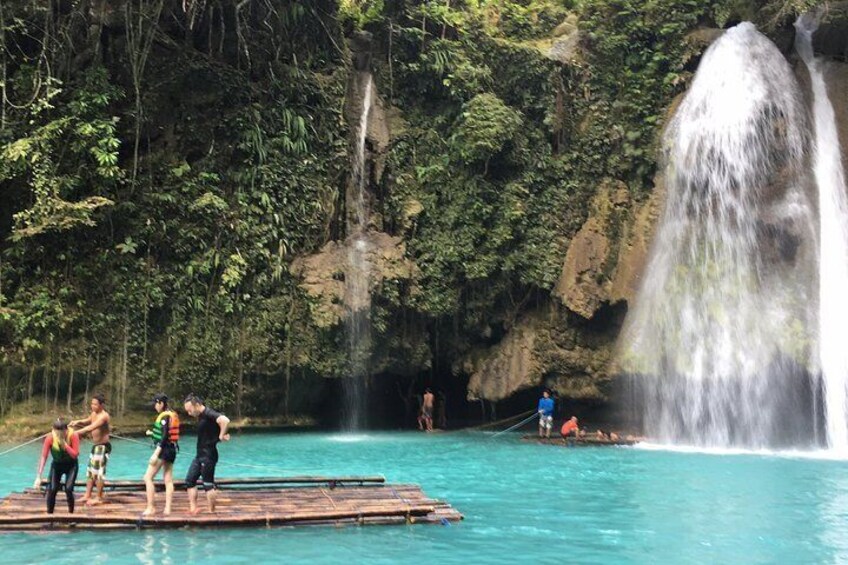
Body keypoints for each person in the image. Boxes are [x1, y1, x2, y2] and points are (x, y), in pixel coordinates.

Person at [183, 394, 230, 515]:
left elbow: (225, 420)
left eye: (189, 410)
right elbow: (213, 429)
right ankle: (193, 508)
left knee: (208, 484)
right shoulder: (201, 416)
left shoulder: (209, 413)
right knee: (190, 480)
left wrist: (221, 435)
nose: (189, 413)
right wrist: (220, 435)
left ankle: (211, 512)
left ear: (197, 405)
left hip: (209, 455)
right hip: (199, 455)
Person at [70, 394, 111, 505]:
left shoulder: (104, 416)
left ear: (101, 405)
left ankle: (99, 497)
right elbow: (88, 421)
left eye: (95, 404)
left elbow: (90, 428)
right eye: (92, 404)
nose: (93, 406)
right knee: (90, 472)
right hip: (95, 446)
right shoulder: (94, 414)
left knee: (98, 473)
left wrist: (73, 433)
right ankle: (87, 495)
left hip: (103, 447)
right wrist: (77, 422)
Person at [143, 393, 180, 516]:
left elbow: (164, 437)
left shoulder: (164, 417)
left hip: (163, 450)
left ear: (161, 403)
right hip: (172, 450)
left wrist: (155, 453)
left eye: (155, 403)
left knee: (148, 478)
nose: (154, 406)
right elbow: (166, 434)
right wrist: (152, 433)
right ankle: (167, 509)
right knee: (168, 479)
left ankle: (151, 507)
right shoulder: (171, 414)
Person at [34, 419, 80, 514]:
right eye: (57, 433)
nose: (60, 436)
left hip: (71, 465)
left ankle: (71, 514)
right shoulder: (50, 438)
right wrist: (39, 476)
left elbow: (75, 454)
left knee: (68, 489)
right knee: (52, 489)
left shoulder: (73, 436)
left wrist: (66, 446)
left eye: (62, 433)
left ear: (66, 430)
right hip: (57, 465)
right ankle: (49, 514)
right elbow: (44, 456)